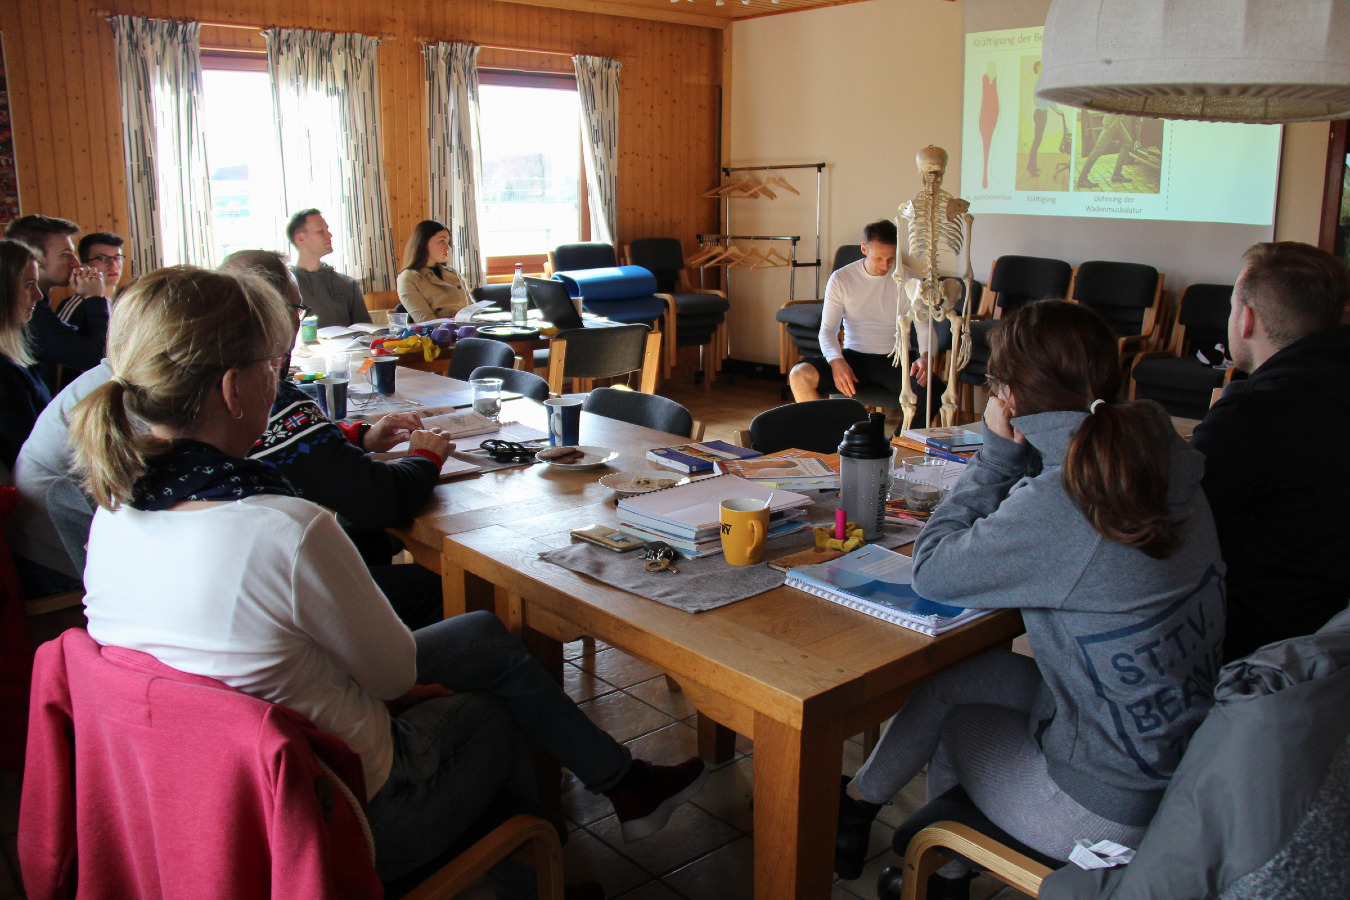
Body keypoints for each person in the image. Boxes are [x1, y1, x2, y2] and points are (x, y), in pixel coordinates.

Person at [67, 265, 707, 895]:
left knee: (482, 637)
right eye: (272, 365)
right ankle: (532, 865)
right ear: (234, 389)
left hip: (200, 794)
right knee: (491, 707)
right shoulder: (284, 529)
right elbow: (395, 675)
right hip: (342, 810)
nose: (279, 379)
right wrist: (405, 693)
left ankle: (571, 837)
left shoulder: (115, 514)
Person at [833, 301, 1226, 900]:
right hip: (1174, 754)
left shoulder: (1069, 498)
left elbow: (932, 570)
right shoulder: (1160, 457)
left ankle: (942, 878)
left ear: (1008, 396)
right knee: (958, 679)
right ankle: (856, 808)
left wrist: (995, 457)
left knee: (960, 724)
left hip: (1105, 807)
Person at [1191, 241, 1350, 662]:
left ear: (1246, 319)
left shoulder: (1252, 417)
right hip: (1332, 644)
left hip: (1257, 660)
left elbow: (1169, 515)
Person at [788, 219, 941, 426]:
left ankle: (899, 443)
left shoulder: (910, 280)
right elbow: (828, 330)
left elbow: (925, 328)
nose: (885, 265)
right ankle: (826, 438)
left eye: (891, 258)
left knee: (934, 390)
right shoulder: (841, 279)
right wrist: (836, 361)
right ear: (864, 249)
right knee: (799, 375)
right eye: (879, 258)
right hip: (854, 359)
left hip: (896, 360)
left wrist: (926, 356)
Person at [4, 215, 109, 391]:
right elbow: (97, 357)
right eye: (66, 254)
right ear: (36, 259)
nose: (75, 263)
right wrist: (94, 298)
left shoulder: (38, 306)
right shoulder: (31, 314)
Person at [0, 238, 48, 473]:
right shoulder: (3, 372)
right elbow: (25, 451)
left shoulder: (14, 356)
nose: (38, 295)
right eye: (29, 285)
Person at [286, 208, 372, 328]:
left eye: (327, 229)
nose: (329, 235)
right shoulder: (284, 287)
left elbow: (365, 330)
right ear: (300, 239)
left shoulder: (347, 284)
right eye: (320, 231)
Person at [397, 219, 470, 321]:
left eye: (448, 242)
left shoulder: (453, 273)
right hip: (441, 330)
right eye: (442, 241)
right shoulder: (408, 278)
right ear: (423, 243)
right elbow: (426, 321)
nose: (448, 248)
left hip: (469, 328)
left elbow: (472, 309)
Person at [78, 231, 126, 299]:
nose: (113, 265)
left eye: (116, 258)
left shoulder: (129, 301)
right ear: (85, 266)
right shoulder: (79, 304)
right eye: (102, 259)